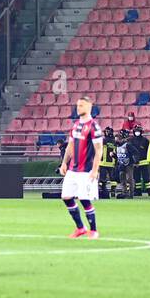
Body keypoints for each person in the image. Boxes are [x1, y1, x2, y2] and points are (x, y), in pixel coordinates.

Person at [58, 96, 102, 238]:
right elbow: (70, 146)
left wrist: (95, 170)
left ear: (89, 107)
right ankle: (80, 228)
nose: (78, 108)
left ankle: (94, 230)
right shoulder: (76, 125)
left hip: (86, 170)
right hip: (73, 169)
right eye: (77, 105)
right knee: (66, 197)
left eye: (81, 105)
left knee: (84, 198)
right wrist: (64, 162)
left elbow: (99, 150)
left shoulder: (93, 126)